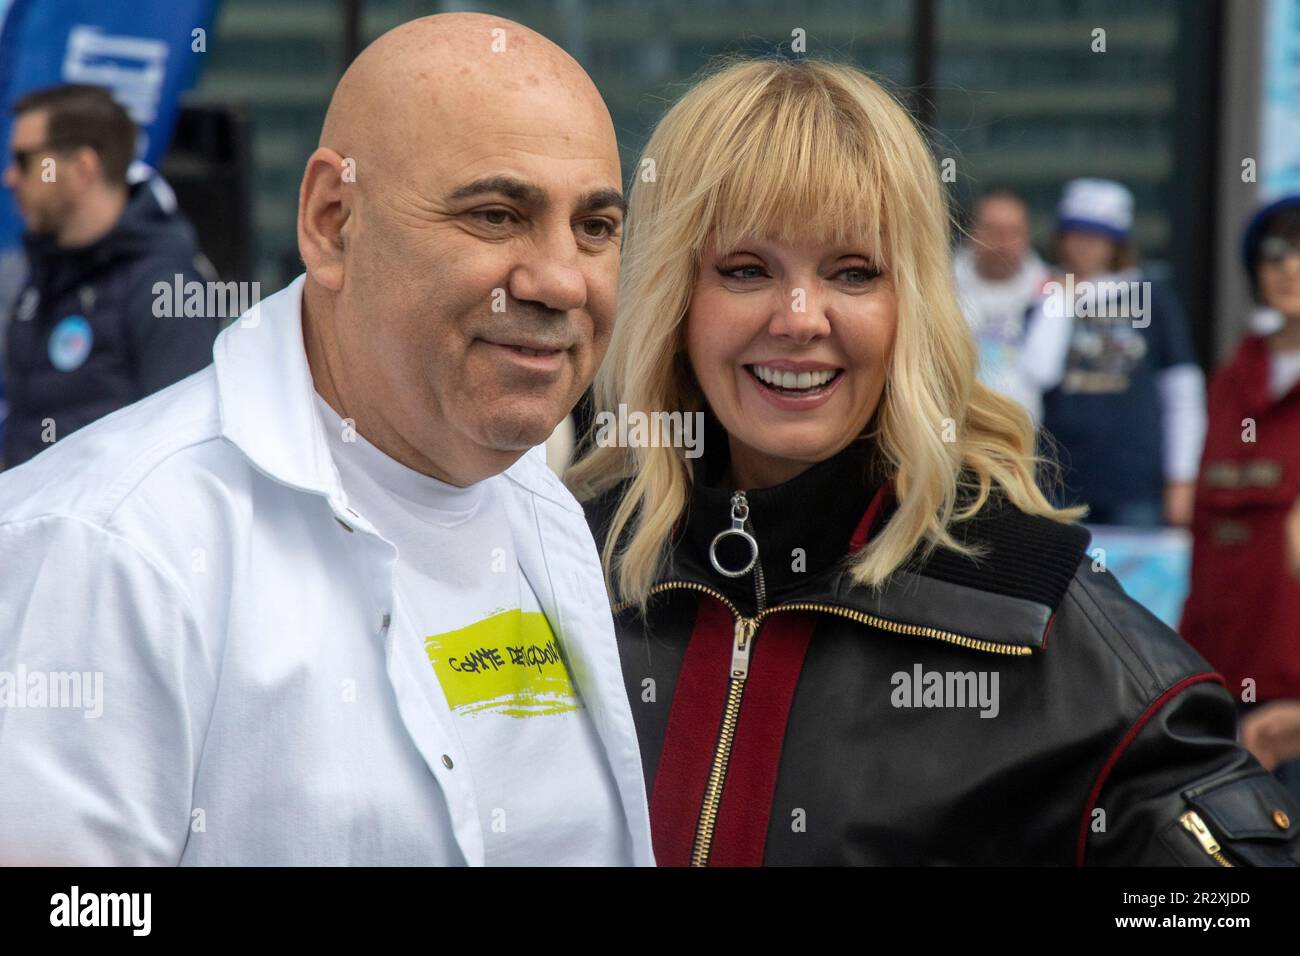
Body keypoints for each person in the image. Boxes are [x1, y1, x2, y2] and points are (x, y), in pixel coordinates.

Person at [567, 57, 1300, 866]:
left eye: (853, 271)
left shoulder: (1028, 603)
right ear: (675, 297)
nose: (800, 318)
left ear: (909, 304)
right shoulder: (563, 563)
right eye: (746, 270)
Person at [0, 13, 652, 866]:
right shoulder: (108, 547)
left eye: (596, 228)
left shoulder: (547, 511)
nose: (562, 278)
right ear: (333, 221)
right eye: (496, 215)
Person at [1, 83, 217, 469]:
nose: (11, 178)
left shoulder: (167, 285)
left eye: (24, 160)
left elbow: (186, 453)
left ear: (82, 168)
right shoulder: (45, 271)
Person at [1182, 195, 1300, 796]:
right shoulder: (1236, 377)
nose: (1288, 266)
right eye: (1275, 252)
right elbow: (1208, 536)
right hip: (1222, 688)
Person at [1018, 178, 1205, 527]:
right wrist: (1059, 301)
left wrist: (1183, 478)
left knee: (1134, 581)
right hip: (1058, 478)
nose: (1085, 245)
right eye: (1076, 233)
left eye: (1097, 235)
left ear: (1116, 243)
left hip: (1134, 480)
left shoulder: (1152, 297)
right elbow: (1037, 373)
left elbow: (1182, 391)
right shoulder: (1043, 300)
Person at [952, 189, 1048, 410]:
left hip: (1026, 432)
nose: (1002, 242)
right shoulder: (935, 288)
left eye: (1012, 232)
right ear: (970, 232)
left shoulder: (1054, 293)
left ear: (1027, 236)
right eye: (992, 230)